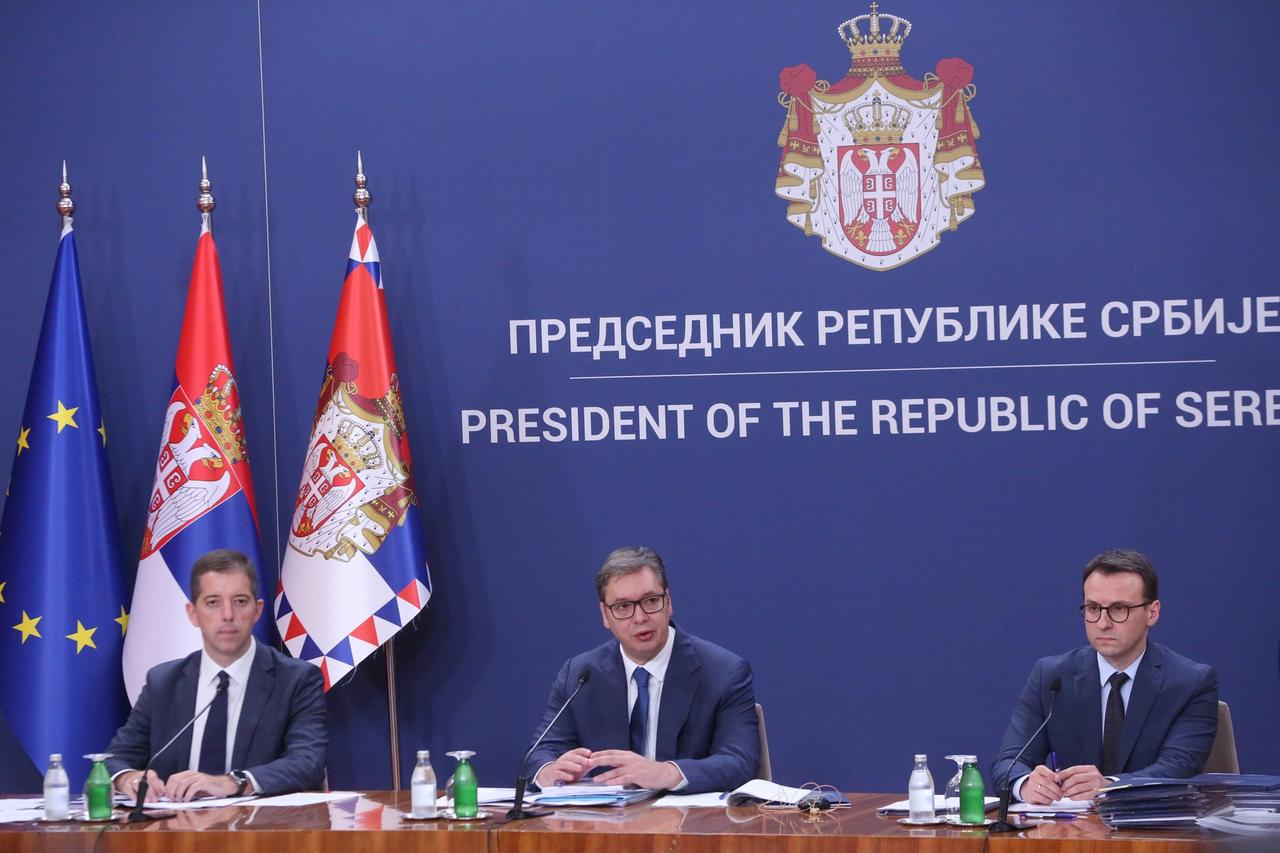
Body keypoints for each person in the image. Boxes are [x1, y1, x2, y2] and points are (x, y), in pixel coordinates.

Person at [524, 546, 760, 794]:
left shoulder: (723, 672)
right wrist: (548, 771)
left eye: (650, 601)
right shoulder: (581, 675)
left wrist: (666, 773)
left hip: (689, 825)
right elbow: (538, 754)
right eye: (623, 606)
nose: (639, 617)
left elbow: (740, 762)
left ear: (668, 602)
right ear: (605, 615)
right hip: (605, 826)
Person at [993, 549, 1218, 804]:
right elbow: (1007, 763)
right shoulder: (1053, 677)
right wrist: (1024, 785)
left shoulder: (1191, 682)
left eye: (1119, 608)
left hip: (1153, 833)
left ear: (1152, 613)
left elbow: (1179, 768)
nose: (1103, 623)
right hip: (1073, 836)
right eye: (1093, 608)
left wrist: (1110, 787)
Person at [106, 549, 327, 801]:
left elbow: (307, 763)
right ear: (193, 614)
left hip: (261, 830)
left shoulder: (297, 679)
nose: (228, 615)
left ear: (257, 610)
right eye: (213, 602)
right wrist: (129, 778)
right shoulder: (163, 682)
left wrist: (233, 782)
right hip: (175, 832)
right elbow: (115, 759)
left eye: (240, 601)